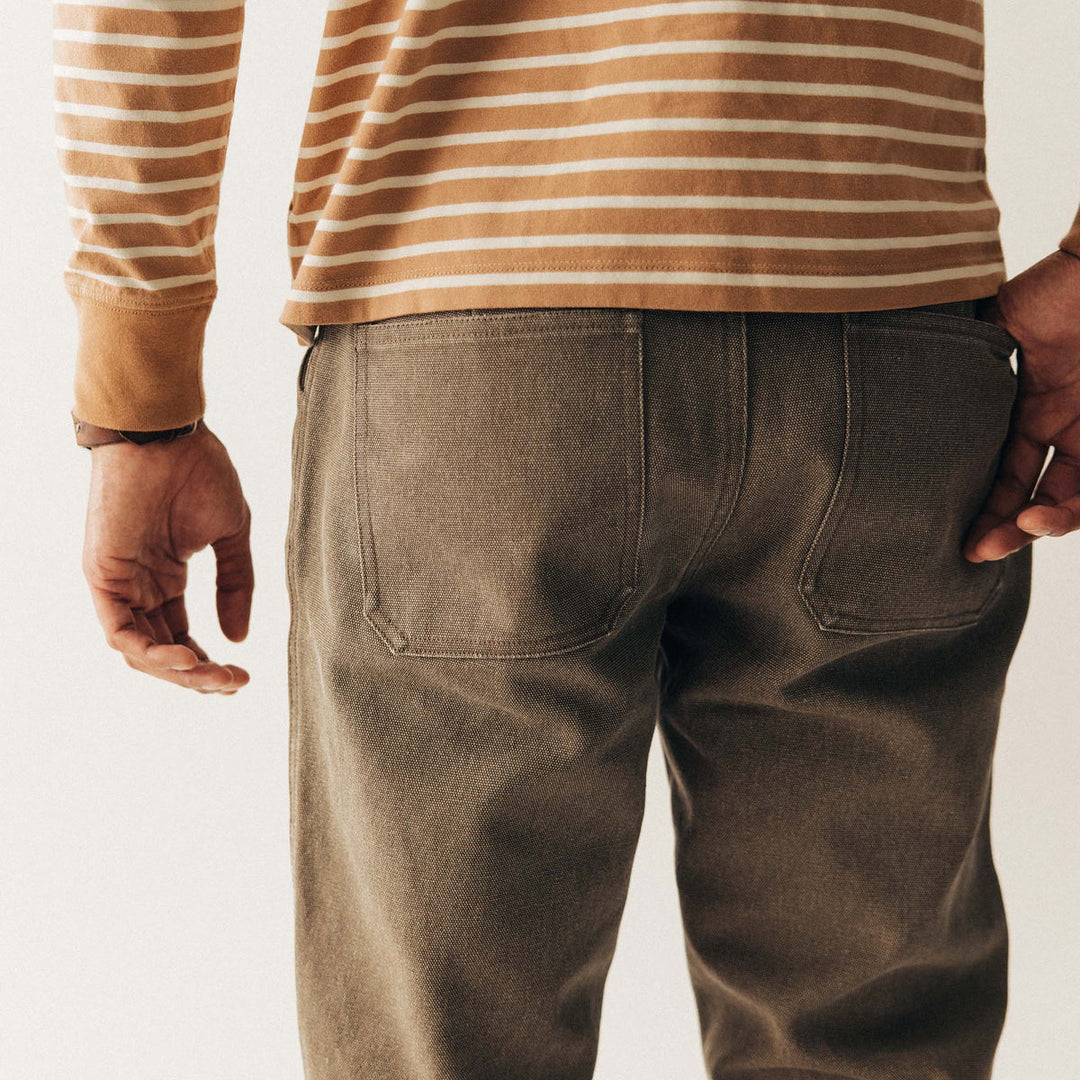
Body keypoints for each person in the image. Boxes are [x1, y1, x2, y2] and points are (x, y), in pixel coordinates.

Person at [54, 2, 1079, 1077]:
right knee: (870, 1036)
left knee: (445, 1036)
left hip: (477, 334)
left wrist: (139, 397)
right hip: (889, 343)